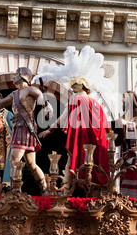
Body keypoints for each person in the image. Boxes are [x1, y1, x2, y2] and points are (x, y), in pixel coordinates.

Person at [36, 46, 114, 192]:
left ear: (81, 86)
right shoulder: (95, 102)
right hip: (96, 139)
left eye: (74, 86)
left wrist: (50, 129)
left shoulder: (76, 99)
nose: (72, 89)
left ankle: (65, 190)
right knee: (93, 163)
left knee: (73, 159)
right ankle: (95, 190)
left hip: (81, 138)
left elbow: (63, 116)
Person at [0, 67, 52, 195]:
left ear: (22, 75)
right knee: (31, 164)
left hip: (25, 127)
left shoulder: (31, 90)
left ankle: (15, 191)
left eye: (15, 75)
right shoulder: (14, 94)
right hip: (18, 127)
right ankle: (44, 190)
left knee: (14, 159)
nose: (13, 77)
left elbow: (44, 101)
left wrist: (48, 108)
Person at [112, 90, 137, 160]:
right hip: (125, 149)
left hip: (136, 149)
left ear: (130, 100)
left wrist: (127, 123)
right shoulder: (125, 115)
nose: (122, 100)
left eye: (124, 98)